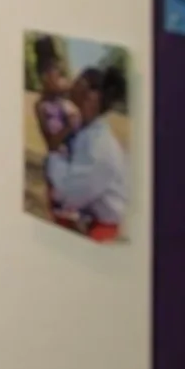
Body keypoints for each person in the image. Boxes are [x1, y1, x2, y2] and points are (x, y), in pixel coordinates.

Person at [44, 66, 129, 241]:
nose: (71, 84)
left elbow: (68, 193)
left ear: (91, 96)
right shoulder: (87, 133)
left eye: (78, 82)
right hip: (89, 222)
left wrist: (53, 158)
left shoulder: (99, 146)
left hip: (103, 232)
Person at [31, 36, 81, 159]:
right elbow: (52, 146)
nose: (59, 77)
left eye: (58, 71)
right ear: (44, 77)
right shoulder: (42, 107)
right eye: (54, 73)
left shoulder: (64, 100)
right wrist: (68, 127)